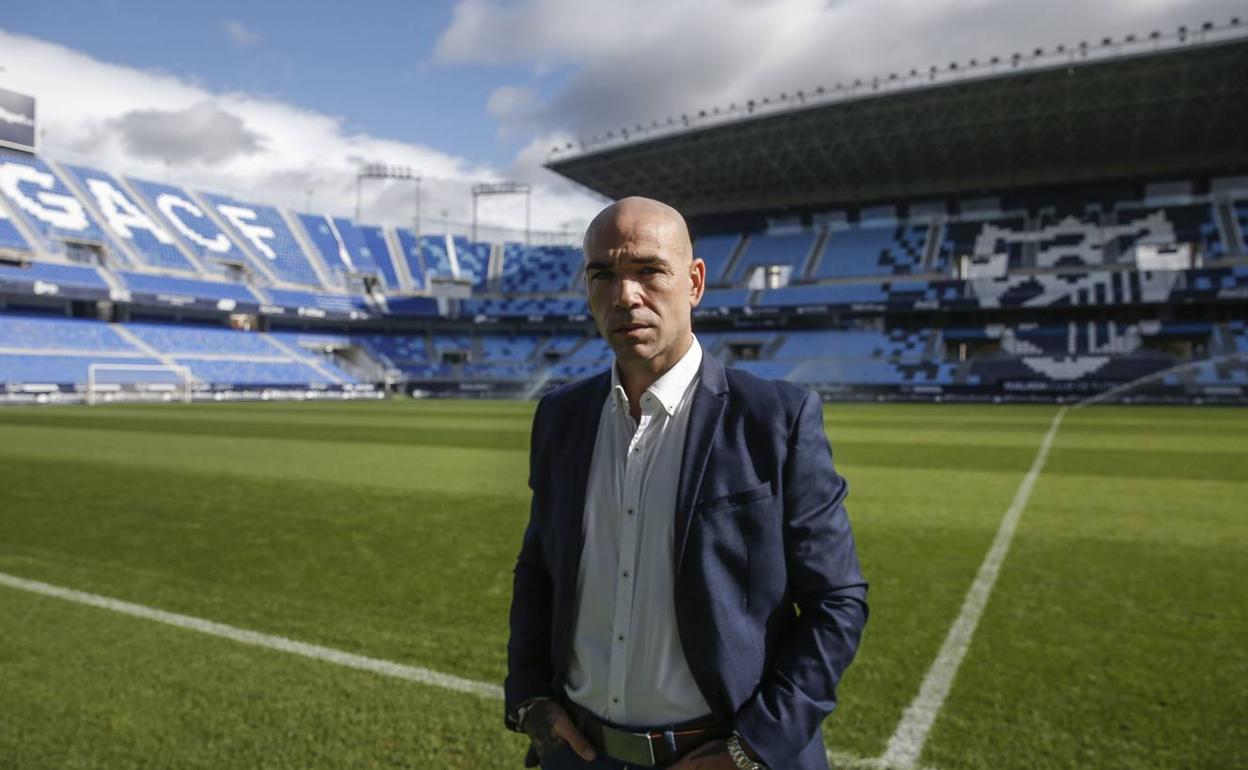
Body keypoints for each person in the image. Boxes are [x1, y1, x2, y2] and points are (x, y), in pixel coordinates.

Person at [504, 197, 867, 770]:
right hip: (580, 754)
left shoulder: (775, 419)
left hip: (721, 755)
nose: (625, 295)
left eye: (649, 270)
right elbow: (540, 569)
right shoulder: (560, 418)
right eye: (604, 275)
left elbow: (835, 602)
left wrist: (749, 752)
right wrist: (528, 697)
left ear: (694, 282)